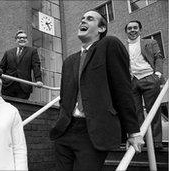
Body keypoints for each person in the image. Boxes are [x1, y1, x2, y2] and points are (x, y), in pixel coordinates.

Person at [49, 10, 144, 171]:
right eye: (82, 18)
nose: (83, 21)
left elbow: (122, 89)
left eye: (90, 19)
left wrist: (133, 131)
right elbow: (65, 97)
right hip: (66, 131)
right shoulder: (69, 61)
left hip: (93, 132)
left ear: (101, 28)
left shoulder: (109, 45)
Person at [125, 20, 164, 149]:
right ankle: (140, 140)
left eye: (135, 28)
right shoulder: (123, 46)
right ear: (126, 31)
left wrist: (157, 74)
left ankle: (156, 142)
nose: (132, 30)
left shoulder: (150, 42)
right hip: (132, 81)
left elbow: (158, 57)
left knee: (153, 110)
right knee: (135, 112)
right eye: (129, 28)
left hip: (149, 77)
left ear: (140, 30)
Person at [0, 30, 43, 99]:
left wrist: (39, 80)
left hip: (24, 86)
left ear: (27, 40)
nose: (22, 39)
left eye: (24, 38)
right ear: (16, 40)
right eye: (19, 38)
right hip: (8, 85)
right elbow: (2, 68)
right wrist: (0, 80)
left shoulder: (32, 51)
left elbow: (36, 66)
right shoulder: (8, 52)